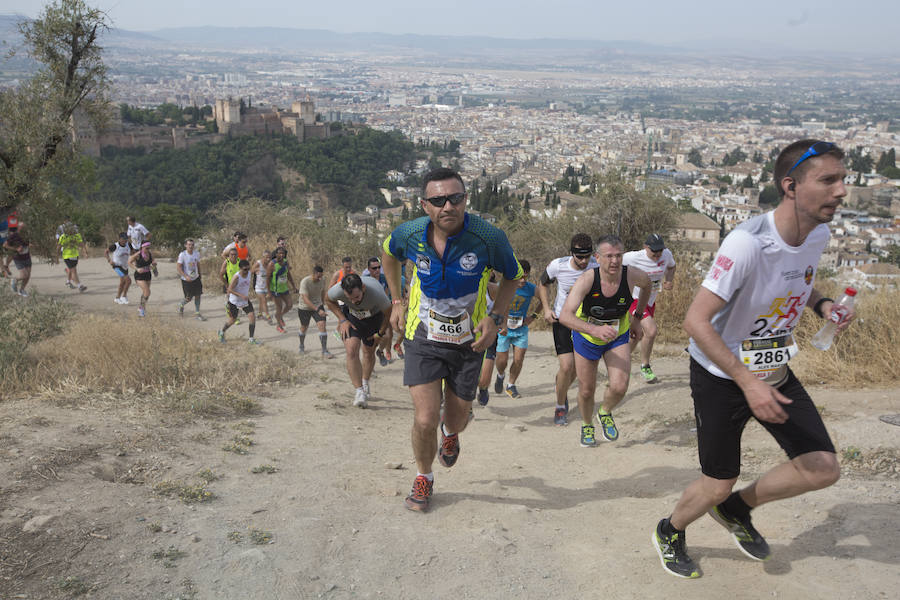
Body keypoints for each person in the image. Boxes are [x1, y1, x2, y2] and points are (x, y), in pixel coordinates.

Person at [651, 140, 853, 579]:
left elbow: (800, 282)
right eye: (828, 180)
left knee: (822, 468)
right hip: (722, 375)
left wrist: (823, 306)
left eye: (843, 180)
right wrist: (747, 381)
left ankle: (737, 509)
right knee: (717, 479)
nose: (841, 191)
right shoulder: (747, 243)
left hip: (773, 370)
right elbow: (696, 321)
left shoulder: (818, 234)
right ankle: (670, 529)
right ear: (790, 186)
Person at [382, 167, 522, 512]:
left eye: (455, 198)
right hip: (422, 335)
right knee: (426, 418)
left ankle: (453, 433)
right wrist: (397, 301)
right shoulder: (410, 233)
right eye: (438, 200)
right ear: (425, 205)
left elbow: (512, 277)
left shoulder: (489, 238)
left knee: (454, 418)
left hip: (469, 341)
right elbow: (389, 254)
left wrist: (495, 318)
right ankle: (424, 477)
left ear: (465, 199)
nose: (448, 206)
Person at [559, 235, 651, 447]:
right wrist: (594, 329)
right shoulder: (587, 280)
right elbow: (565, 315)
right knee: (586, 389)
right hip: (587, 337)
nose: (615, 261)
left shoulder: (631, 276)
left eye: (618, 256)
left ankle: (605, 412)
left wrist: (637, 318)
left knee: (619, 386)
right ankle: (587, 424)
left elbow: (647, 285)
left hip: (617, 335)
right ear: (598, 258)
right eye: (609, 256)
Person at [536, 233, 599, 426]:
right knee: (566, 366)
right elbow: (542, 284)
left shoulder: (596, 266)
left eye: (587, 256)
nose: (583, 261)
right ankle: (560, 405)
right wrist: (546, 309)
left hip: (585, 323)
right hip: (562, 320)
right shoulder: (558, 265)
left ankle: (561, 386)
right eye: (579, 257)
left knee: (575, 371)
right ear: (571, 253)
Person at [324, 273, 392, 407]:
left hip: (373, 318)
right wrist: (342, 319)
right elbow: (327, 300)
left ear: (363, 288)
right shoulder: (337, 290)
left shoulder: (377, 294)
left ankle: (365, 382)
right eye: (350, 298)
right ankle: (359, 391)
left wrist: (380, 333)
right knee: (351, 350)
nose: (354, 301)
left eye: (357, 297)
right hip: (351, 316)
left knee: (368, 352)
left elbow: (388, 313)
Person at [623, 234, 676, 383]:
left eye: (660, 250)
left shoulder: (666, 254)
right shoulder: (632, 257)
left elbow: (672, 267)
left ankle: (619, 364)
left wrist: (669, 280)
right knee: (651, 331)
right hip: (634, 299)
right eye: (654, 251)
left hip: (650, 301)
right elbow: (612, 263)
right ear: (645, 247)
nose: (658, 254)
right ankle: (645, 366)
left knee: (637, 335)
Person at [493, 260, 542, 399]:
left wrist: (533, 316)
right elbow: (490, 301)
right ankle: (500, 375)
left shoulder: (531, 288)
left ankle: (511, 385)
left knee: (519, 359)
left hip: (521, 328)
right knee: (502, 361)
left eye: (525, 277)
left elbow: (544, 299)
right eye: (519, 276)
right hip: (504, 328)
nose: (522, 280)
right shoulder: (502, 287)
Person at [218, 259, 261, 345]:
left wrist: (259, 269)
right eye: (245, 269)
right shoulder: (237, 277)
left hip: (244, 301)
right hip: (234, 301)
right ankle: (222, 332)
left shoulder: (249, 273)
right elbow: (229, 290)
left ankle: (251, 339)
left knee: (252, 317)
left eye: (248, 269)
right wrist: (241, 295)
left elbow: (256, 268)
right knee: (232, 320)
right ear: (240, 268)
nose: (247, 271)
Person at [362, 256, 395, 365]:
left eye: (378, 267)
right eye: (374, 268)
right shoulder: (364, 280)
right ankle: (369, 367)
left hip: (381, 310)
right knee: (369, 342)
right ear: (369, 269)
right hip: (368, 312)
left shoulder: (383, 278)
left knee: (387, 336)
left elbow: (386, 294)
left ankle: (380, 352)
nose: (377, 270)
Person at [297, 265, 334, 358]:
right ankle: (301, 346)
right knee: (304, 327)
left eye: (321, 276)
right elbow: (305, 299)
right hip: (304, 307)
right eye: (318, 276)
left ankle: (324, 350)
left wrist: (323, 303)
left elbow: (322, 291)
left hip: (318, 305)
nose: (320, 278)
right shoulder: (305, 282)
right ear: (313, 274)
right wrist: (318, 309)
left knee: (322, 324)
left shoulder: (323, 279)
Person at [267, 246, 296, 333]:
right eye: (280, 253)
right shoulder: (272, 264)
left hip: (284, 288)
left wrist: (293, 286)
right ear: (276, 254)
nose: (281, 255)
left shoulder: (286, 262)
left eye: (283, 253)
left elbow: (288, 274)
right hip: (275, 290)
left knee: (290, 305)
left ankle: (279, 316)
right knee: (279, 307)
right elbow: (267, 279)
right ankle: (279, 326)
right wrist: (269, 292)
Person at [176, 238, 205, 320]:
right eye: (189, 245)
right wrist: (185, 276)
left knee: (198, 295)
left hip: (196, 278)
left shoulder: (196, 253)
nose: (191, 246)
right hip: (186, 280)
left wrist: (200, 274)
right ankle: (181, 305)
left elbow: (198, 264)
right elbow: (178, 267)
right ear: (185, 245)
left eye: (192, 245)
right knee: (188, 298)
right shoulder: (182, 255)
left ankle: (197, 313)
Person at [128, 241, 157, 317]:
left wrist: (154, 269)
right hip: (139, 276)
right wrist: (137, 269)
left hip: (148, 274)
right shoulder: (138, 255)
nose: (148, 249)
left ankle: (141, 306)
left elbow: (153, 263)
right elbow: (129, 262)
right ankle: (142, 310)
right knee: (147, 292)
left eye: (149, 248)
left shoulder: (150, 254)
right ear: (142, 247)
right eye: (146, 248)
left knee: (145, 293)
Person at [57, 223, 87, 292]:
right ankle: (80, 286)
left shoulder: (77, 236)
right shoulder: (63, 237)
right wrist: (56, 257)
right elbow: (58, 246)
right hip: (66, 256)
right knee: (74, 271)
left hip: (75, 256)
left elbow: (81, 244)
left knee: (72, 269)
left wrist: (85, 252)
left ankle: (68, 280)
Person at [104, 233, 132, 304]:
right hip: (117, 266)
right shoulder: (115, 246)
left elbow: (133, 253)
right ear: (119, 239)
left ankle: (117, 298)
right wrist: (109, 260)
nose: (125, 240)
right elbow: (106, 252)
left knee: (122, 283)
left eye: (126, 239)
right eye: (123, 239)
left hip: (125, 266)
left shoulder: (129, 245)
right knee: (128, 281)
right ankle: (124, 296)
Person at [3, 230, 31, 297]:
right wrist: (16, 249)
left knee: (28, 276)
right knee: (24, 275)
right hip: (18, 258)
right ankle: (14, 280)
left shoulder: (29, 235)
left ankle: (22, 290)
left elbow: (27, 244)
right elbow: (5, 245)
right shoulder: (14, 236)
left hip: (27, 257)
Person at [252, 251, 274, 325]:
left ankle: (259, 314)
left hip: (266, 287)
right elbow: (250, 271)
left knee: (262, 301)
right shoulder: (258, 263)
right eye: (267, 257)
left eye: (269, 258)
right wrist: (255, 271)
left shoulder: (270, 264)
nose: (268, 259)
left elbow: (271, 275)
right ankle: (268, 317)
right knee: (264, 300)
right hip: (258, 287)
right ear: (263, 257)